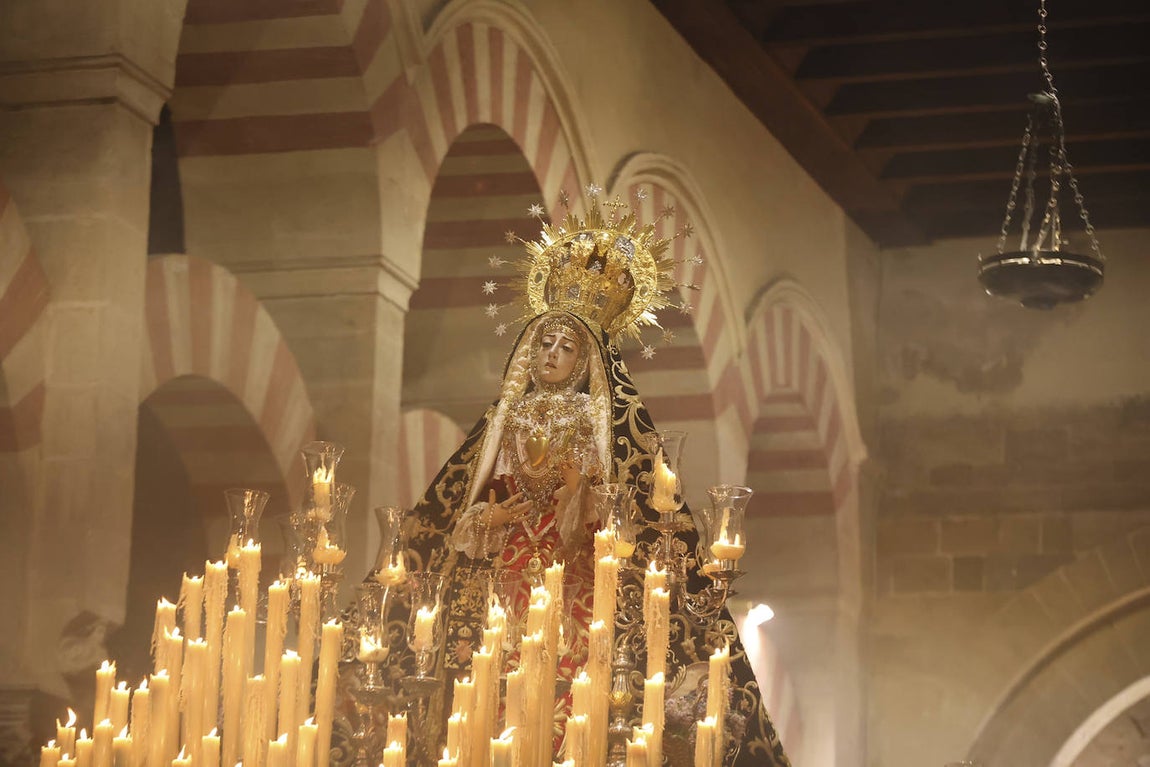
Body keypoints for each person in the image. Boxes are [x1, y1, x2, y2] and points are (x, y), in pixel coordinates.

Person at [397, 195, 791, 766]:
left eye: (566, 347)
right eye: (544, 344)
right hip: (507, 567)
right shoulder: (508, 418)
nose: (551, 355)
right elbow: (483, 492)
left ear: (586, 363)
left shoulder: (593, 419)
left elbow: (605, 498)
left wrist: (578, 494)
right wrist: (491, 517)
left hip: (576, 569)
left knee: (572, 678)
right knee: (493, 677)